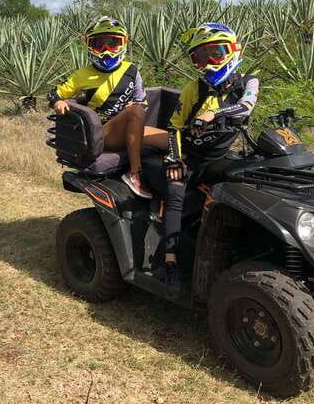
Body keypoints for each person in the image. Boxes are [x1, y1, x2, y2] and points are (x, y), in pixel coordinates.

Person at [162, 23, 259, 298]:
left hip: (220, 158)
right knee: (174, 195)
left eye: (216, 53)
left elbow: (246, 106)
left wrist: (214, 114)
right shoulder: (193, 89)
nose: (209, 63)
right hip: (191, 157)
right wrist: (173, 159)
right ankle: (171, 264)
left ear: (233, 50)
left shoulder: (248, 81)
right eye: (200, 57)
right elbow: (174, 127)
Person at [48, 16, 164, 198]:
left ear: (123, 44)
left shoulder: (131, 70)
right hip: (102, 134)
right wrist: (58, 101)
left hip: (130, 127)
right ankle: (134, 173)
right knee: (135, 111)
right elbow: (54, 93)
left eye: (112, 44)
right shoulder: (82, 75)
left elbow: (143, 101)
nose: (106, 50)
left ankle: (166, 189)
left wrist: (136, 106)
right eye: (99, 45)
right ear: (89, 47)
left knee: (171, 140)